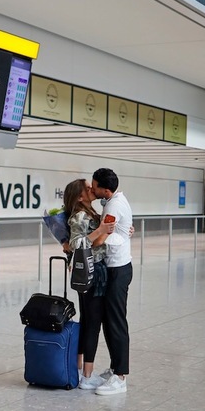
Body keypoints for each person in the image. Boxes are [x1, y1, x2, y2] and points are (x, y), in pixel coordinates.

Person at [63, 178, 115, 390]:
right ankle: (87, 375)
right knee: (93, 322)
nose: (91, 189)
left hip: (90, 272)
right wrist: (100, 229)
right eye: (86, 188)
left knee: (88, 321)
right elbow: (77, 244)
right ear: (79, 196)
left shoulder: (89, 212)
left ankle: (78, 368)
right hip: (92, 272)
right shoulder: (80, 215)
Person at [90, 168, 133, 396]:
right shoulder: (114, 201)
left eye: (94, 185)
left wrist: (86, 243)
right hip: (115, 267)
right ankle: (115, 368)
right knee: (109, 320)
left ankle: (120, 377)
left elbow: (101, 238)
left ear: (105, 190)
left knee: (116, 321)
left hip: (118, 269)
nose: (92, 188)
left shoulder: (114, 205)